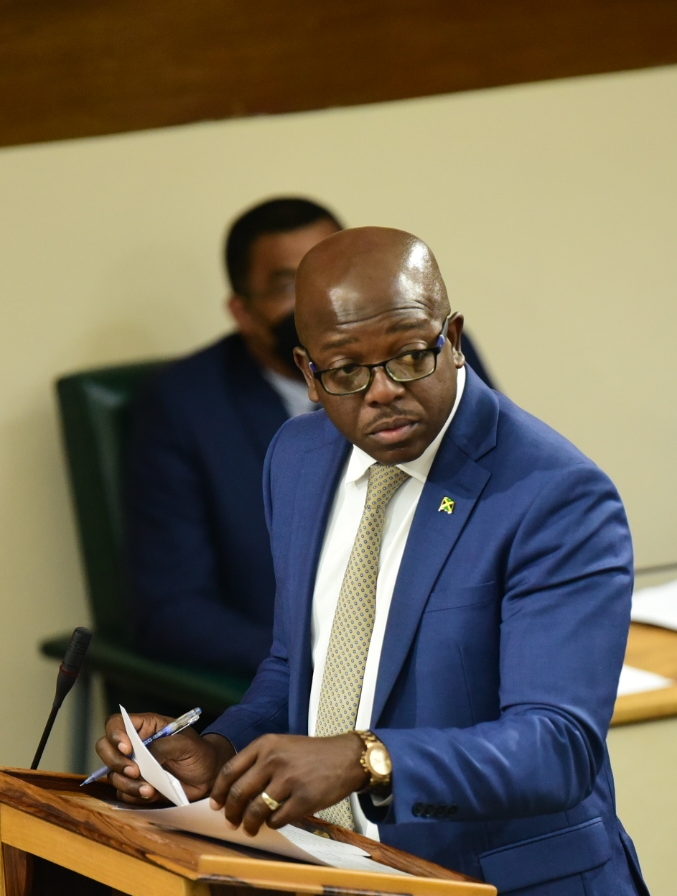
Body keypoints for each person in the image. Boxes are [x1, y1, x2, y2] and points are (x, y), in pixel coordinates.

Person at [98, 227, 669, 896]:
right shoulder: (297, 458)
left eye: (410, 357)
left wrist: (366, 759)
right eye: (346, 372)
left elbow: (559, 745)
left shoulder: (553, 496)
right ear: (306, 371)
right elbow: (301, 667)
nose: (383, 395)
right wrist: (219, 748)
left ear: (453, 337)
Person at [123, 197, 492, 678]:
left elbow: (496, 501)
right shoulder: (182, 408)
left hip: (456, 659)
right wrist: (323, 660)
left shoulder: (431, 354)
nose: (322, 300)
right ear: (244, 312)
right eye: (287, 286)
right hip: (301, 686)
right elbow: (172, 611)